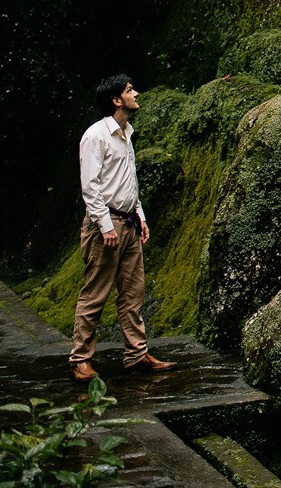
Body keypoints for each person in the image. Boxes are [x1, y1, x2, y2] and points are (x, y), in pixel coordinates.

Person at [70, 73, 174, 381]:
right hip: (106, 224)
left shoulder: (127, 133)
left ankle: (136, 354)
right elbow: (90, 187)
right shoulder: (96, 136)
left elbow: (128, 182)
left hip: (128, 221)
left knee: (133, 292)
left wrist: (140, 216)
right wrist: (105, 226)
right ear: (117, 100)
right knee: (96, 292)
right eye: (130, 90)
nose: (136, 93)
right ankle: (80, 359)